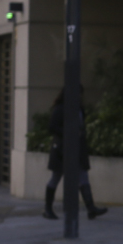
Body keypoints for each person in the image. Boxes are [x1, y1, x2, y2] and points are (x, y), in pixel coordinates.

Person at [44, 91, 108, 221]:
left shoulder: (79, 108)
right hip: (62, 148)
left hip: (78, 147)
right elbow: (52, 127)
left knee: (83, 176)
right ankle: (47, 209)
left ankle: (91, 208)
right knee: (56, 176)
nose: (79, 96)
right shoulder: (60, 108)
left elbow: (81, 125)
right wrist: (69, 132)